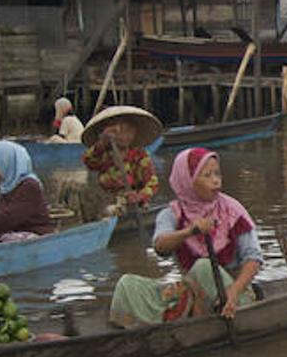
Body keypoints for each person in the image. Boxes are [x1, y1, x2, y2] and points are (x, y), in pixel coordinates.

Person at [109, 148, 263, 327]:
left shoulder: (232, 210)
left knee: (203, 267)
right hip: (192, 295)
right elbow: (160, 246)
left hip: (233, 297)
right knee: (128, 284)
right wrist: (190, 231)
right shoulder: (171, 214)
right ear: (187, 181)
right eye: (207, 175)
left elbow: (254, 257)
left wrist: (235, 291)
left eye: (217, 174)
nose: (216, 180)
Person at [81, 106, 162, 209]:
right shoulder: (104, 152)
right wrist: (102, 143)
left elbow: (152, 183)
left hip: (133, 205)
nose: (125, 136)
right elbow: (88, 161)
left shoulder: (139, 155)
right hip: (107, 203)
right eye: (121, 131)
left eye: (129, 130)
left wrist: (139, 196)